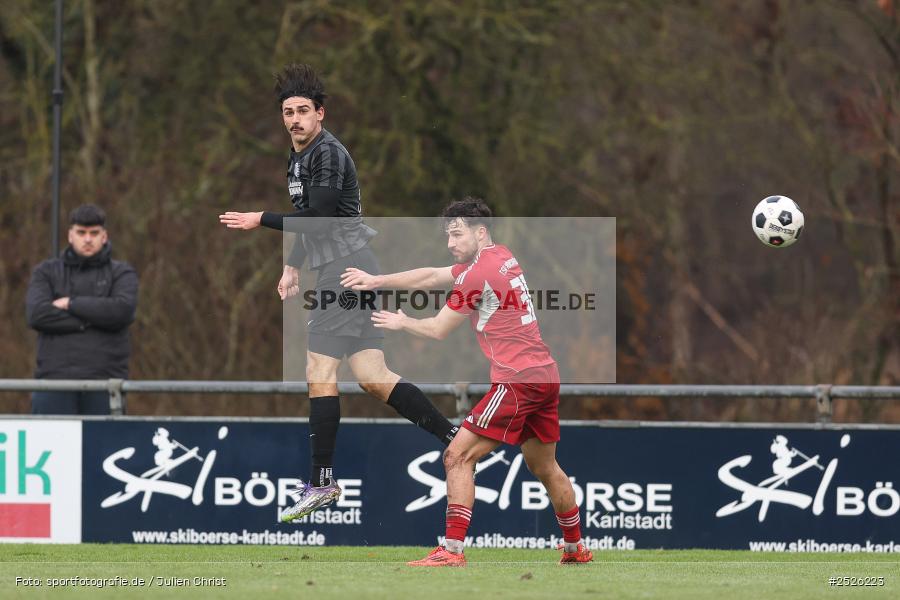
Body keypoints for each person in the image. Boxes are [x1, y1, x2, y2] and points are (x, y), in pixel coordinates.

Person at [218, 63, 457, 521]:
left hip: (344, 273)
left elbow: (321, 219)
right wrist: (292, 266)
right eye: (287, 112)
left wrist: (260, 218)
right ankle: (454, 437)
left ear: (320, 113)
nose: (294, 119)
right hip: (350, 269)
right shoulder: (298, 156)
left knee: (318, 369)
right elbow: (311, 220)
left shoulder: (327, 153)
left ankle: (322, 482)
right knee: (372, 374)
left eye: (302, 111)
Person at [341, 197, 593, 565]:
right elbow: (432, 276)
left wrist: (403, 322)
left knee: (456, 456)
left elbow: (438, 329)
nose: (450, 242)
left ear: (481, 232)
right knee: (545, 467)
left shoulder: (478, 274)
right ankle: (575, 549)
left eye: (457, 234)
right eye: (448, 235)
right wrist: (378, 280)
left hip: (517, 381)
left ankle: (452, 551)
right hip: (544, 376)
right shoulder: (503, 256)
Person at [25, 204, 139, 415]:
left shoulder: (122, 273)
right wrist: (93, 319)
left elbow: (122, 311)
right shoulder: (46, 272)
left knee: (104, 439)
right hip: (53, 382)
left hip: (107, 384)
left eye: (94, 233)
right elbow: (37, 315)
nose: (87, 239)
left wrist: (71, 304)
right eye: (81, 233)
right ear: (70, 236)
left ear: (104, 236)